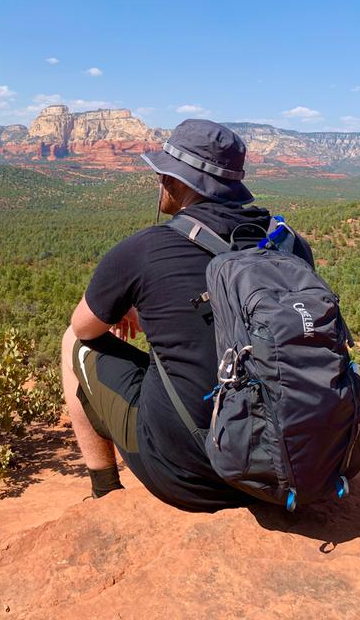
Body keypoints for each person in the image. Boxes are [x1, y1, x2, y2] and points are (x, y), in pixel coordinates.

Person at [61, 119, 314, 511]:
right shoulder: (289, 243)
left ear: (179, 183)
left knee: (71, 341)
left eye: (163, 172)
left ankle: (103, 493)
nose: (159, 180)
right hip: (289, 469)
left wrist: (127, 302)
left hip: (191, 477)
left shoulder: (145, 249)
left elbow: (84, 326)